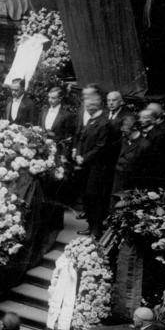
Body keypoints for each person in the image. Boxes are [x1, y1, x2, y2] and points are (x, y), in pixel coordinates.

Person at [75, 97, 110, 237]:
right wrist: (78, 153)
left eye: (91, 105)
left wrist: (84, 157)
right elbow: (81, 140)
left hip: (96, 167)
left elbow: (100, 147)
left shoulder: (104, 123)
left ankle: (96, 229)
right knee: (87, 197)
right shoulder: (91, 120)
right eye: (86, 105)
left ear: (98, 106)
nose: (88, 108)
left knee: (94, 198)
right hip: (85, 167)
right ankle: (90, 225)